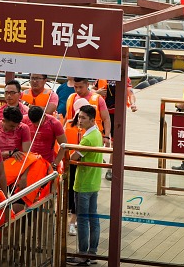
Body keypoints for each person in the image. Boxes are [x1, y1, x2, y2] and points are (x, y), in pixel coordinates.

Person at [66, 105, 104, 266]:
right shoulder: (97, 133)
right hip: (94, 182)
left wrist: (70, 153)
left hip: (83, 183)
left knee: (82, 220)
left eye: (83, 118)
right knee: (93, 218)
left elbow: (73, 157)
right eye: (79, 117)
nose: (79, 121)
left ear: (92, 120)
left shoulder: (87, 139)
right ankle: (92, 253)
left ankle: (82, 255)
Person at [53, 98, 87, 237]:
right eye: (80, 115)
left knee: (76, 189)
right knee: (70, 187)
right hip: (70, 161)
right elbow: (60, 144)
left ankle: (74, 215)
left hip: (81, 162)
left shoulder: (89, 128)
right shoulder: (68, 124)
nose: (80, 119)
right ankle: (68, 210)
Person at [93, 77, 137, 181]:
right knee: (98, 139)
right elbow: (91, 90)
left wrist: (133, 104)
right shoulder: (102, 76)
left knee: (114, 143)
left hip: (116, 114)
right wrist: (97, 92)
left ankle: (110, 169)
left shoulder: (124, 78)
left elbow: (130, 93)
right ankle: (97, 160)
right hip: (101, 113)